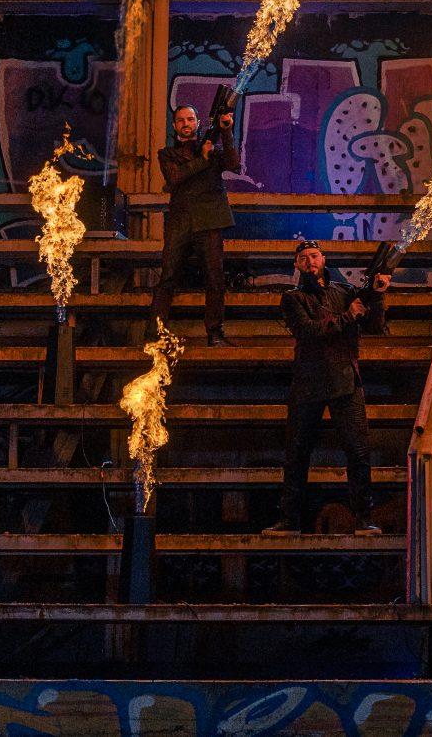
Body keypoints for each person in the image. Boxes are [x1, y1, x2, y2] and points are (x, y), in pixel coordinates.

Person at [265, 239, 390, 535]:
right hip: (309, 382)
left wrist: (377, 294)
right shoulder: (292, 298)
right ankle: (290, 520)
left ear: (323, 259)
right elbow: (308, 330)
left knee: (358, 453)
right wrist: (348, 316)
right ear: (296, 265)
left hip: (345, 380)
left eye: (314, 256)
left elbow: (375, 326)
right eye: (304, 258)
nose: (310, 262)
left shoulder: (345, 292)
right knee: (297, 454)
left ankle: (363, 518)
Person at [152, 102, 239, 347]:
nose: (186, 124)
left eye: (190, 119)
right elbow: (175, 177)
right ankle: (155, 333)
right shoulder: (167, 154)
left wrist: (226, 131)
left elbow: (233, 163)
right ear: (174, 125)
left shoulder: (212, 149)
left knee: (214, 278)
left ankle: (215, 333)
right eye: (181, 120)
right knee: (167, 277)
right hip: (180, 221)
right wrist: (203, 159)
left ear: (198, 123)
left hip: (209, 220)